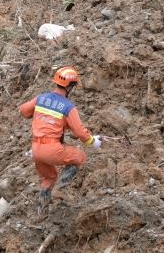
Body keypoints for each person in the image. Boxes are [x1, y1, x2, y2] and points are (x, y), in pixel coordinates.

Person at [18, 66, 101, 214]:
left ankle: (41, 213)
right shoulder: (68, 107)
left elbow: (24, 111)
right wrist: (92, 141)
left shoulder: (40, 98)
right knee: (79, 157)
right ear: (70, 87)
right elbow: (79, 131)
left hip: (36, 150)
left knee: (49, 178)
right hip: (52, 149)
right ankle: (60, 190)